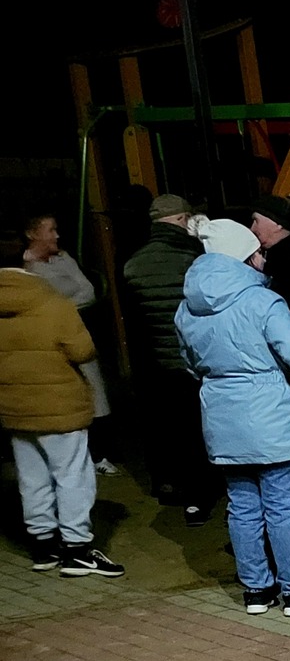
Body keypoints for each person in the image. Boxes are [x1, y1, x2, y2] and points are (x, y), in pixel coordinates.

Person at [175, 219, 290, 615]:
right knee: (284, 507)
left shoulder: (188, 306)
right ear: (245, 257)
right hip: (272, 412)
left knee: (242, 506)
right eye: (259, 252)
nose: (264, 258)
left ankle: (257, 590)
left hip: (222, 413)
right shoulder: (262, 301)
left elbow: (189, 362)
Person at [0, 264, 123, 577]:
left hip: (15, 407)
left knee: (31, 477)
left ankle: (43, 547)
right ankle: (76, 549)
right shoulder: (54, 305)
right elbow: (83, 351)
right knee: (72, 476)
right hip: (59, 406)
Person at [122, 193, 213, 523]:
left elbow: (134, 324)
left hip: (157, 364)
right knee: (200, 431)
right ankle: (203, 496)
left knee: (170, 428)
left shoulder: (133, 263)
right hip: (197, 360)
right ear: (182, 219)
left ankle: (173, 486)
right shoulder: (194, 257)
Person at [21, 213, 113, 471]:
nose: (57, 235)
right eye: (50, 230)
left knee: (93, 391)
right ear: (33, 234)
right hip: (48, 342)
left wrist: (59, 308)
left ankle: (98, 454)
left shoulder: (64, 259)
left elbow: (88, 291)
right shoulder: (26, 268)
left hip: (76, 333)